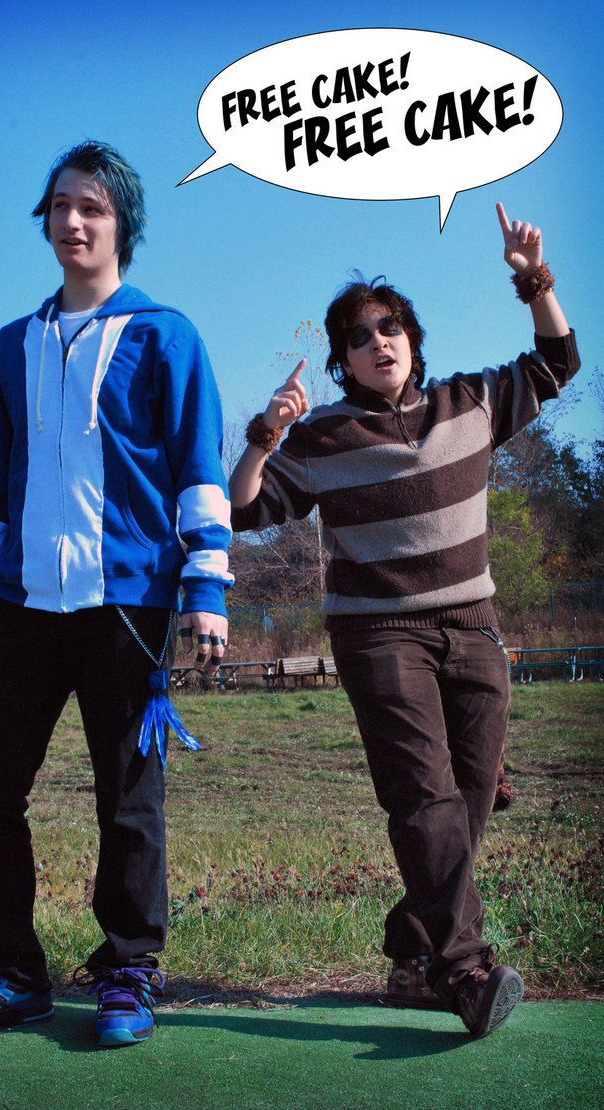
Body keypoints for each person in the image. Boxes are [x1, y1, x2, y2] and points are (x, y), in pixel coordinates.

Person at [228, 204, 579, 1038]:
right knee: (422, 799)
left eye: (390, 327)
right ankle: (461, 971)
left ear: (412, 337)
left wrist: (530, 276)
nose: (378, 342)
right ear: (342, 359)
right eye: (359, 336)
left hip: (473, 626)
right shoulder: (320, 438)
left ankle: (409, 940)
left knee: (470, 800)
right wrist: (262, 435)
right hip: (379, 635)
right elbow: (240, 510)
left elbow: (559, 361)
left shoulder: (471, 403)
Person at [0, 141, 232, 1046]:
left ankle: (129, 967)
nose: (73, 222)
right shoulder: (12, 344)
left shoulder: (166, 334)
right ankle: (11, 972)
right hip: (20, 608)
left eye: (90, 206)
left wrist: (205, 589)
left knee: (128, 797)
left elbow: (197, 474)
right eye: (58, 206)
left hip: (127, 604)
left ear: (122, 222)